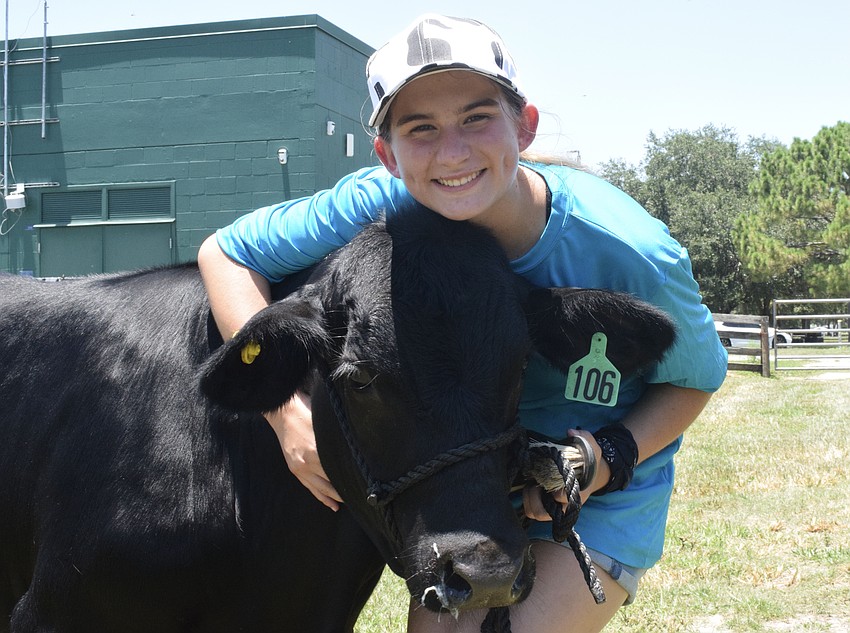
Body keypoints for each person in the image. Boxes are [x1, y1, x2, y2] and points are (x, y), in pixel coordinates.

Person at [198, 14, 728, 633]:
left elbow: (694, 380)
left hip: (592, 488)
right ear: (387, 155)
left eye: (477, 117)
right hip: (461, 481)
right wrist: (286, 413)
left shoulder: (631, 253)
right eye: (420, 129)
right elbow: (227, 254)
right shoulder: (381, 202)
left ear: (524, 126)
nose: (452, 153)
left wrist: (598, 460)